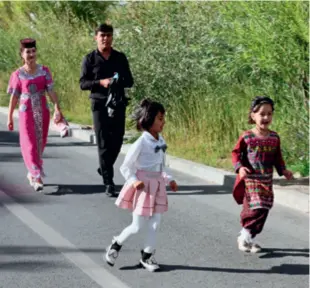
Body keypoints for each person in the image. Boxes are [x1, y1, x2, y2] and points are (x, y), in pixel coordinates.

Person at [105, 99, 178, 272]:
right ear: (149, 119)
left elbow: (161, 166)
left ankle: (147, 256)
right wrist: (133, 181)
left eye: (163, 118)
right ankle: (116, 244)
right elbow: (125, 167)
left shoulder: (161, 140)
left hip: (158, 186)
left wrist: (170, 179)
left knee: (155, 223)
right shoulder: (140, 143)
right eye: (160, 118)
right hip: (144, 187)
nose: (163, 122)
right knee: (137, 226)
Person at [232, 96, 293, 253]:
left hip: (266, 180)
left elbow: (277, 157)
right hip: (251, 179)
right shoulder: (247, 137)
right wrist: (240, 168)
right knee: (254, 208)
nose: (266, 117)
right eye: (262, 114)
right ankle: (244, 236)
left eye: (269, 114)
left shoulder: (274, 138)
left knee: (264, 208)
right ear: (253, 116)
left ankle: (250, 238)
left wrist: (283, 170)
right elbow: (236, 153)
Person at [79, 23, 134, 197]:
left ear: (112, 37)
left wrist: (117, 81)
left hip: (117, 103)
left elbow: (130, 81)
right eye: (102, 35)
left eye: (109, 35)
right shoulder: (89, 59)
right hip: (99, 104)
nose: (105, 39)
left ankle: (104, 166)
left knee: (117, 140)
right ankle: (109, 182)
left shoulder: (120, 57)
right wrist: (100, 82)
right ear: (96, 37)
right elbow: (83, 83)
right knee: (103, 142)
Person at [7, 38, 63, 192]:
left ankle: (32, 171)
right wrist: (10, 117)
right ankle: (36, 175)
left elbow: (50, 91)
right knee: (29, 144)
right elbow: (14, 97)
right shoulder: (17, 74)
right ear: (22, 54)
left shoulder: (44, 71)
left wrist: (57, 107)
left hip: (42, 111)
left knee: (40, 142)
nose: (31, 54)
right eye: (28, 52)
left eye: (33, 51)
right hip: (26, 113)